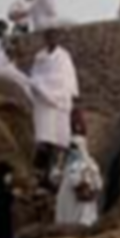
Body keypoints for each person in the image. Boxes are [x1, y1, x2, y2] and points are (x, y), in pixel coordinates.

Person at [29, 28, 78, 186]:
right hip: (43, 103)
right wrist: (44, 85)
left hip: (60, 103)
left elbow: (67, 79)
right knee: (44, 138)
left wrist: (51, 86)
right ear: (45, 38)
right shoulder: (39, 57)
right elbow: (35, 77)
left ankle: (55, 175)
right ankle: (40, 174)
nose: (52, 38)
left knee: (60, 140)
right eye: (49, 36)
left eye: (55, 35)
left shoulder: (64, 57)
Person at [54, 134, 102, 227]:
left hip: (79, 208)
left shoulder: (77, 166)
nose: (72, 151)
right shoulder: (90, 164)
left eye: (74, 148)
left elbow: (75, 181)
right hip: (77, 206)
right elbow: (99, 185)